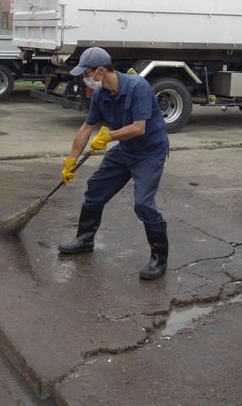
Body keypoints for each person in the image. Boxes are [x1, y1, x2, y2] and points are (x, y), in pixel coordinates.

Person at [58, 46, 170, 280]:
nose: (85, 78)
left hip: (150, 153)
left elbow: (139, 128)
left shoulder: (138, 87)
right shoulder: (101, 95)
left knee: (143, 204)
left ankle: (159, 259)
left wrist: (109, 136)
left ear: (100, 71)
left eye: (86, 73)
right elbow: (86, 128)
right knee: (95, 189)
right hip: (126, 150)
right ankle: (85, 240)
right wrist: (71, 161)